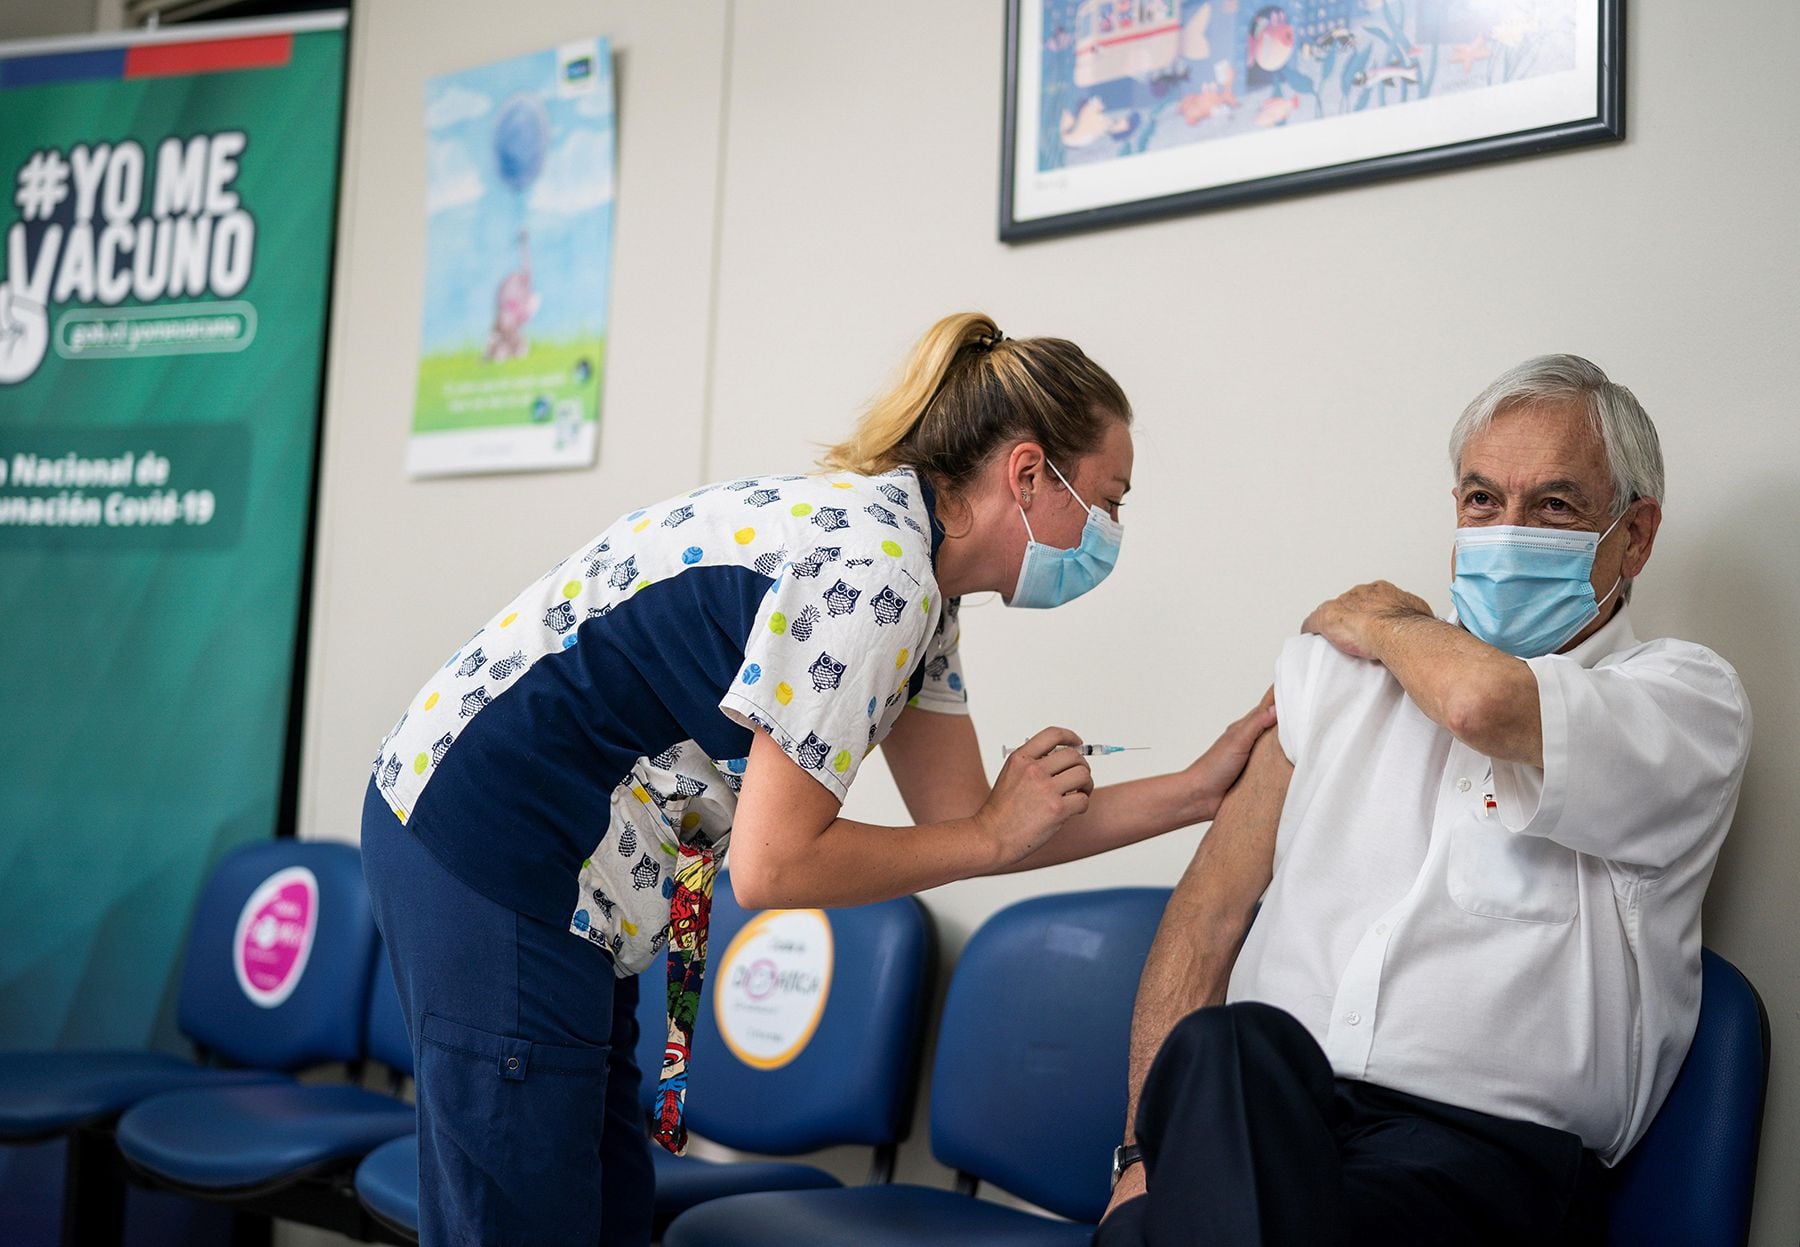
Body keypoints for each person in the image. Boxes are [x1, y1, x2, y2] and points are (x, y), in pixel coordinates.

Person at [361, 311, 1276, 1247]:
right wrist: (992, 833)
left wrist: (1201, 789)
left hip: (561, 870)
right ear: (1031, 473)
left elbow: (968, 821)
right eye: (1108, 500)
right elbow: (776, 867)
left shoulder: (916, 581)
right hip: (488, 839)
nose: (1112, 530)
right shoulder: (878, 572)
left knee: (596, 1206)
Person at [1098, 355, 1752, 1246]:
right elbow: (1207, 915)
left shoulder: (1684, 699)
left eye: (1553, 505)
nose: (1506, 529)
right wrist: (1137, 1160)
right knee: (1229, 1050)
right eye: (1483, 500)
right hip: (1262, 1123)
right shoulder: (1335, 680)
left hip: (1475, 1168)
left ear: (1633, 536)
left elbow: (1485, 704)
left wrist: (1389, 623)